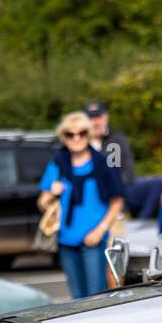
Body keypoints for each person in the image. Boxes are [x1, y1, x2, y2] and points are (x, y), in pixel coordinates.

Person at [38, 111, 125, 299]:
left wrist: (100, 231)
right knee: (77, 297)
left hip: (93, 239)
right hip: (66, 239)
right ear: (64, 137)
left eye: (82, 133)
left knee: (96, 295)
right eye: (70, 134)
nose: (76, 138)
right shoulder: (58, 164)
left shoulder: (103, 164)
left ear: (89, 134)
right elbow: (42, 202)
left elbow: (117, 201)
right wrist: (52, 193)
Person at [84, 100, 136, 186]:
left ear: (106, 118)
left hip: (115, 193)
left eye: (98, 117)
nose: (95, 123)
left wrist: (112, 189)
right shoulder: (78, 143)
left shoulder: (118, 141)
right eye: (91, 119)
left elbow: (128, 174)